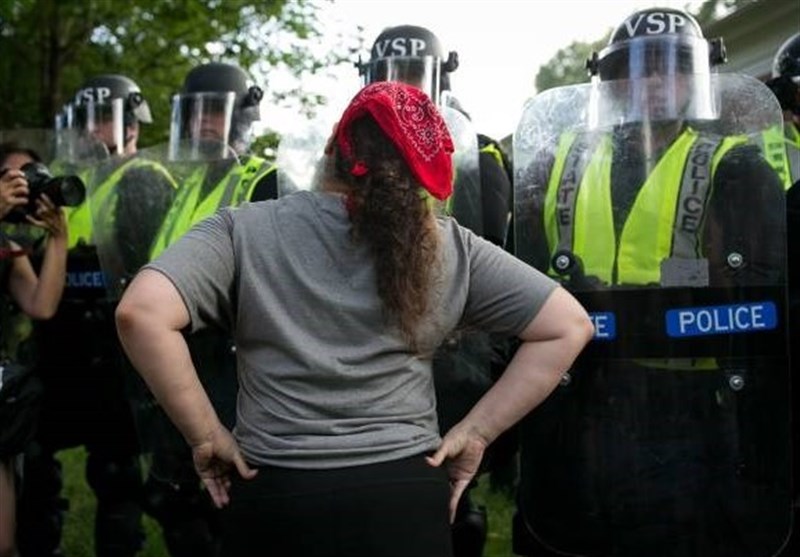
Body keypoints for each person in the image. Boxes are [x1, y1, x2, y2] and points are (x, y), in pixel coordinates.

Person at [114, 81, 594, 557]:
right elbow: (568, 326)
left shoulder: (242, 228)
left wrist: (206, 434)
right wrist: (477, 433)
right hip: (405, 494)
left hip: (275, 493)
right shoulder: (448, 247)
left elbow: (141, 312)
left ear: (331, 145)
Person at [512, 7, 789, 557]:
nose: (656, 82)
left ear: (699, 78)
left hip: (686, 400)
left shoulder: (735, 163)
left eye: (674, 67)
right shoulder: (554, 161)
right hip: (576, 389)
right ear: (612, 81)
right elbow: (516, 267)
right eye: (639, 69)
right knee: (575, 535)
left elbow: (759, 287)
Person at [358, 25, 515, 555]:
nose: (401, 87)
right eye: (387, 75)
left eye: (412, 75)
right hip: (370, 338)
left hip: (453, 347)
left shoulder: (480, 152)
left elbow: (490, 248)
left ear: (440, 80)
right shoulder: (351, 152)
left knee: (452, 498)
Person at [16, 74, 175, 557]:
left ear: (132, 120)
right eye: (86, 119)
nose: (93, 129)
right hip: (59, 347)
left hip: (114, 354)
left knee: (117, 478)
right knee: (35, 460)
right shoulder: (67, 178)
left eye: (104, 116)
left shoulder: (146, 177)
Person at [137, 61, 277, 557]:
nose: (203, 125)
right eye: (193, 113)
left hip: (236, 369)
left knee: (232, 512)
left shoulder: (265, 179)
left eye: (215, 113)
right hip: (181, 360)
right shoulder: (181, 190)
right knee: (177, 509)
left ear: (244, 117)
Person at [0, 143, 68, 557]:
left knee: (4, 544)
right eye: (13, 176)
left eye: (32, 173)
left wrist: (58, 239)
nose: (25, 184)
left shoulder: (9, 245)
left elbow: (41, 305)